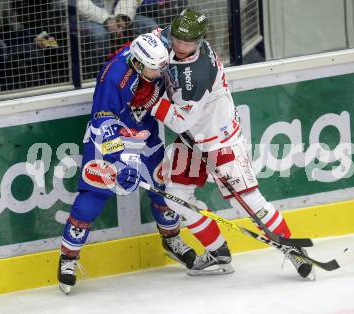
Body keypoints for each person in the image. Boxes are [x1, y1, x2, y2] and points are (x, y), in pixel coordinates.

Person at [149, 8, 314, 278]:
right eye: (177, 38)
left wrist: (152, 103)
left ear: (200, 41)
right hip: (191, 141)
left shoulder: (198, 73)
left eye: (187, 42)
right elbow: (153, 39)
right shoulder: (172, 37)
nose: (179, 45)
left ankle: (292, 250)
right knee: (177, 198)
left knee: (251, 203)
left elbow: (179, 122)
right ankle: (218, 253)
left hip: (218, 142)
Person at [57, 33, 198, 294]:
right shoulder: (113, 78)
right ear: (136, 62)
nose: (159, 72)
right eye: (154, 68)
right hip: (110, 135)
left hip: (144, 131)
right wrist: (117, 164)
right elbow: (102, 121)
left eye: (161, 66)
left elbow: (173, 33)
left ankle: (172, 240)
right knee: (93, 195)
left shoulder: (156, 53)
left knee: (162, 184)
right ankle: (68, 258)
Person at [75, 0, 159, 77]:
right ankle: (98, 78)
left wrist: (123, 17)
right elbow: (80, 4)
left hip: (118, 14)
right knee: (99, 35)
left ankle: (146, 74)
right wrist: (107, 20)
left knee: (149, 27)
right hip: (86, 18)